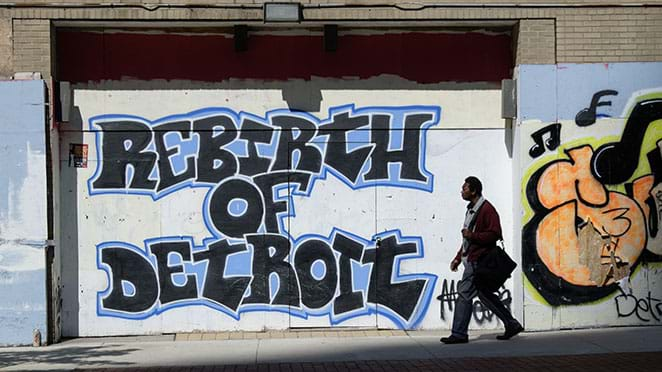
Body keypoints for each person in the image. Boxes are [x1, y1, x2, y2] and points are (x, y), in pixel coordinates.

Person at [440, 176, 523, 344]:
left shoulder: (487, 209)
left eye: (465, 188)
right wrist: (458, 257)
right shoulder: (471, 209)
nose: (462, 191)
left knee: (464, 293)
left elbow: (495, 233)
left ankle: (459, 334)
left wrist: (473, 236)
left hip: (479, 261)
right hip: (471, 258)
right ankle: (511, 324)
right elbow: (467, 240)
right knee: (485, 295)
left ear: (474, 190)